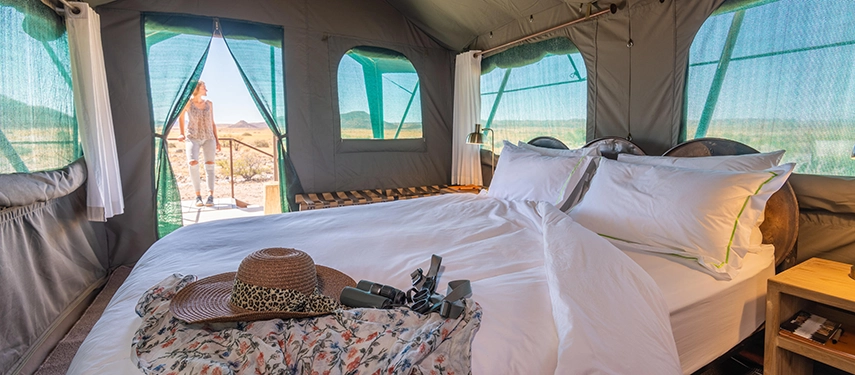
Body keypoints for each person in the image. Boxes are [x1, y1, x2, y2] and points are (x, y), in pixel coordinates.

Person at [178, 81, 220, 207]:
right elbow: (180, 117)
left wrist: (217, 140)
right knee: (192, 163)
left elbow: (212, 123)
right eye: (204, 88)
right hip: (192, 137)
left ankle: (210, 196)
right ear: (197, 89)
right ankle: (198, 196)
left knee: (210, 165)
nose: (206, 90)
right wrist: (181, 133)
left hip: (209, 137)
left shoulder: (209, 104)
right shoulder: (188, 103)